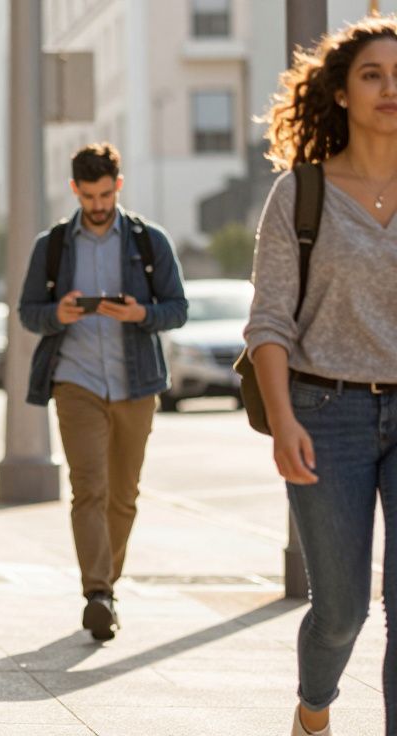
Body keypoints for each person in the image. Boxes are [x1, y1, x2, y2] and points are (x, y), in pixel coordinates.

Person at [248, 17, 397, 736]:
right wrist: (283, 423)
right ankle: (315, 707)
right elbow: (269, 322)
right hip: (324, 411)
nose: (390, 89)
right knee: (341, 609)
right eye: (373, 74)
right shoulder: (300, 195)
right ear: (340, 92)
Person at [17, 142, 187, 642]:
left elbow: (177, 308)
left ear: (119, 185)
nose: (97, 204)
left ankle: (107, 584)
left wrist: (140, 314)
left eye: (106, 193)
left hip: (137, 383)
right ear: (74, 190)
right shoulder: (51, 246)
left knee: (124, 494)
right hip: (77, 382)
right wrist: (58, 314)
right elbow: (29, 312)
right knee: (88, 488)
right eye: (89, 195)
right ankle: (97, 593)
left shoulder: (149, 242)